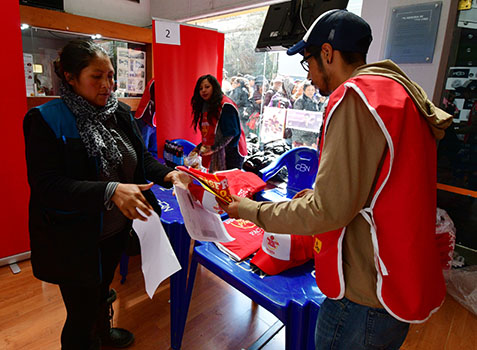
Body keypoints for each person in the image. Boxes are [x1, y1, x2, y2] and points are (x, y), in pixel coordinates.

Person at [219, 9, 453, 350]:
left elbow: (328, 212)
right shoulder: (396, 95)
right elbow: (379, 188)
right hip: (396, 277)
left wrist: (250, 210)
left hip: (363, 292)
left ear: (328, 53)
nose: (309, 75)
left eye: (308, 62)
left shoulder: (355, 97)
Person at [23, 39, 187, 350]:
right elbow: (47, 186)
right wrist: (110, 190)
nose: (107, 85)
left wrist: (168, 173)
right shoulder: (46, 120)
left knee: (101, 292)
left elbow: (140, 158)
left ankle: (102, 331)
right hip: (73, 238)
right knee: (79, 314)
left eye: (110, 76)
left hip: (113, 232)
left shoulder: (120, 113)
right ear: (70, 78)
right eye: (96, 77)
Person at [191, 74, 247, 172]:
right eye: (200, 88)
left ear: (215, 87)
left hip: (231, 153)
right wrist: (199, 147)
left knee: (226, 182)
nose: (203, 90)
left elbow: (231, 133)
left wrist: (213, 148)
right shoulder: (207, 105)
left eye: (207, 87)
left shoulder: (225, 105)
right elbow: (211, 134)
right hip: (218, 151)